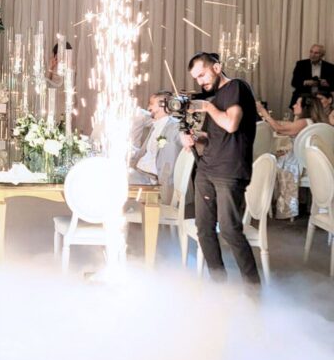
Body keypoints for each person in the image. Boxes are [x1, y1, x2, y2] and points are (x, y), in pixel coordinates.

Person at [179, 52, 261, 288]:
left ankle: (253, 290)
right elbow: (213, 137)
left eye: (202, 74)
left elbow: (231, 124)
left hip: (230, 171)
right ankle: (219, 284)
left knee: (230, 230)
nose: (200, 82)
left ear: (217, 67)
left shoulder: (236, 87)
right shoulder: (214, 98)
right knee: (203, 228)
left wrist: (206, 107)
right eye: (196, 78)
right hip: (206, 168)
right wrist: (195, 138)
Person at [257, 95, 328, 219]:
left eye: (297, 104)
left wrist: (264, 113)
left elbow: (279, 129)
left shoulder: (304, 122)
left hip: (300, 163)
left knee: (266, 161)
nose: (293, 106)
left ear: (305, 108)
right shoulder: (314, 121)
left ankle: (259, 204)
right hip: (310, 161)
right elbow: (282, 125)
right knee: (275, 155)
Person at [129, 91, 182, 203]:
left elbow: (184, 137)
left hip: (150, 179)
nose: (148, 107)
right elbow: (149, 153)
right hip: (139, 172)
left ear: (163, 105)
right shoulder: (156, 125)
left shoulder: (175, 127)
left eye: (151, 103)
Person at [289, 44, 334, 109]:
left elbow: (333, 86)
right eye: (311, 52)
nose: (312, 55)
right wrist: (305, 82)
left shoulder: (330, 67)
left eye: (316, 53)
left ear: (322, 55)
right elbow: (294, 82)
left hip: (321, 100)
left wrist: (326, 83)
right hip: (302, 98)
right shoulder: (301, 64)